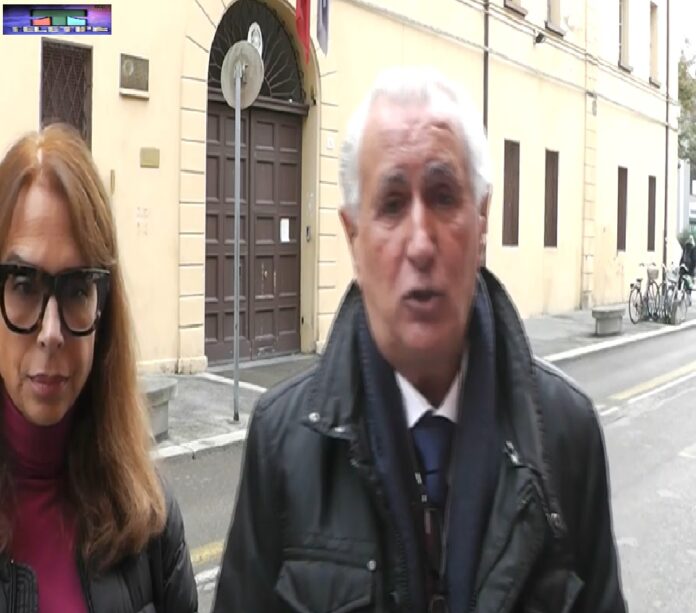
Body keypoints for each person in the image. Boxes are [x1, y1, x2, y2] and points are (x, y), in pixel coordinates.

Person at [213, 67, 627, 612]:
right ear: (354, 237)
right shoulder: (282, 441)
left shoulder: (565, 433)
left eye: (443, 196)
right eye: (390, 205)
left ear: (482, 220)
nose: (421, 244)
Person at [0, 124, 197, 612]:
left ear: (103, 309)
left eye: (76, 289)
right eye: (23, 285)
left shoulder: (150, 522)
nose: (51, 332)